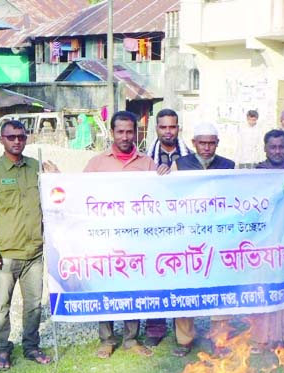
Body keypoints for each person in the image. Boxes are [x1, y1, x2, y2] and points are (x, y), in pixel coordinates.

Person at [0, 120, 53, 370]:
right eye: (11, 137)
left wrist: (57, 178)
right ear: (2, 140)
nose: (16, 141)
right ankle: (3, 349)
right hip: (5, 255)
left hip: (34, 254)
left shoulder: (37, 168)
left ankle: (31, 346)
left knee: (33, 305)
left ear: (26, 138)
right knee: (0, 307)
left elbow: (55, 198)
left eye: (20, 136)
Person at [84, 110, 157, 359]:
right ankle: (107, 339)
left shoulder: (147, 164)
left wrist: (166, 175)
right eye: (120, 131)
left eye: (129, 131)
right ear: (112, 132)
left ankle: (131, 338)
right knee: (105, 285)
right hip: (105, 239)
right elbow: (79, 195)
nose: (125, 136)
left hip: (136, 240)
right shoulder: (96, 163)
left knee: (133, 287)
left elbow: (162, 196)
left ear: (136, 132)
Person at [172, 123, 235, 355]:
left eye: (211, 143)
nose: (207, 147)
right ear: (194, 143)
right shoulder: (180, 165)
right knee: (186, 287)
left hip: (218, 238)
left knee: (219, 286)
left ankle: (220, 339)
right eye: (202, 143)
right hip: (188, 238)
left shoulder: (228, 166)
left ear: (217, 144)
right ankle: (184, 339)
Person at [143, 108, 192, 347]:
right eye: (163, 127)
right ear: (157, 129)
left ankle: (184, 335)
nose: (168, 131)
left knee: (183, 280)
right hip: (154, 228)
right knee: (153, 278)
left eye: (172, 127)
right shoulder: (145, 160)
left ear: (178, 129)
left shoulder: (190, 158)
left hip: (182, 229)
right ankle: (155, 328)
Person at [249, 129, 284, 347]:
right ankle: (263, 337)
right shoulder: (257, 174)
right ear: (265, 148)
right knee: (264, 288)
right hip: (264, 243)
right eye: (273, 147)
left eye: (281, 147)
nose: (277, 151)